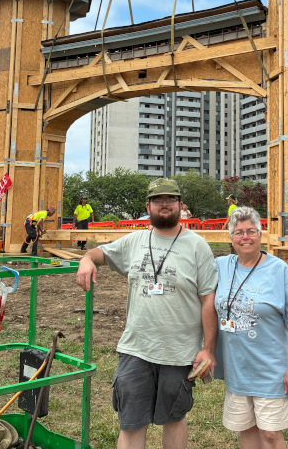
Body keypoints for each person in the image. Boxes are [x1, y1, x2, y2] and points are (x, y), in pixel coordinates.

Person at [75, 178, 218, 449]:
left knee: (174, 418)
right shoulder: (135, 240)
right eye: (157, 200)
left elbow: (208, 300)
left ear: (180, 205)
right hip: (136, 349)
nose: (164, 205)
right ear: (148, 206)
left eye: (170, 200)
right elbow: (99, 252)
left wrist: (208, 350)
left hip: (179, 352)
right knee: (131, 422)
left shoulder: (198, 246)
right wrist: (85, 259)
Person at [214, 206, 288, 449]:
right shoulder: (221, 266)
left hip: (270, 370)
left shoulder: (279, 270)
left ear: (260, 234)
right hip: (238, 369)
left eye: (251, 231)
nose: (245, 237)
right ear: (231, 238)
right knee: (246, 429)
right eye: (238, 232)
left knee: (269, 433)